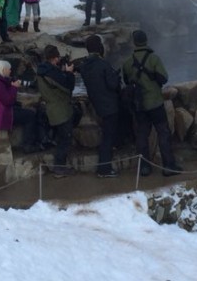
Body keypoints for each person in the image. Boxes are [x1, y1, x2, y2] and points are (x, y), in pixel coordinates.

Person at [122, 29, 183, 177]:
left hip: (139, 105)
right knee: (163, 132)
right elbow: (164, 78)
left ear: (134, 42)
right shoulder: (154, 58)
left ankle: (145, 167)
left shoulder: (127, 62)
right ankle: (168, 165)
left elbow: (126, 81)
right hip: (155, 102)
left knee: (142, 135)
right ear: (146, 41)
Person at [81, 34, 121, 178]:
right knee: (108, 137)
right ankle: (104, 169)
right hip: (109, 104)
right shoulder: (103, 64)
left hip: (96, 104)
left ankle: (112, 152)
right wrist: (116, 76)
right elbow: (113, 84)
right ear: (99, 47)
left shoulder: (84, 65)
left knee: (108, 134)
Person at [36, 44, 76, 177]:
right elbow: (68, 86)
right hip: (61, 110)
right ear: (54, 58)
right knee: (65, 139)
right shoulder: (51, 72)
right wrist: (69, 73)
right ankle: (59, 168)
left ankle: (60, 166)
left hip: (52, 109)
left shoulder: (42, 70)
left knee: (61, 138)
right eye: (57, 57)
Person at [0, 59, 38, 152]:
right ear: (3, 70)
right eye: (8, 69)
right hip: (0, 115)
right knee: (30, 115)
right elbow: (8, 100)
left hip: (0, 111)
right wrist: (14, 87)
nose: (10, 71)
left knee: (25, 110)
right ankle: (28, 145)